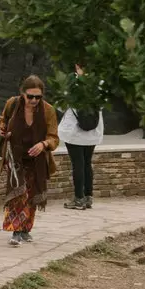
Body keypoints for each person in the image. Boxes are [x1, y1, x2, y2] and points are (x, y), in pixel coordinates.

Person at [0, 75, 59, 246]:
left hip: (37, 160)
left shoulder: (48, 110)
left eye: (37, 97)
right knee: (18, 193)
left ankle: (25, 229)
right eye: (30, 96)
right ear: (22, 93)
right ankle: (15, 230)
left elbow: (54, 138)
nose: (33, 100)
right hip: (15, 156)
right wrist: (2, 129)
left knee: (31, 195)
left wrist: (43, 144)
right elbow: (2, 121)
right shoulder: (12, 104)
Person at [59, 68, 103, 209]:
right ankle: (88, 197)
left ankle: (78, 199)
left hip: (74, 132)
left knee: (77, 164)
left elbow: (62, 105)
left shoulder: (72, 83)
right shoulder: (100, 83)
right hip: (92, 131)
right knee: (87, 163)